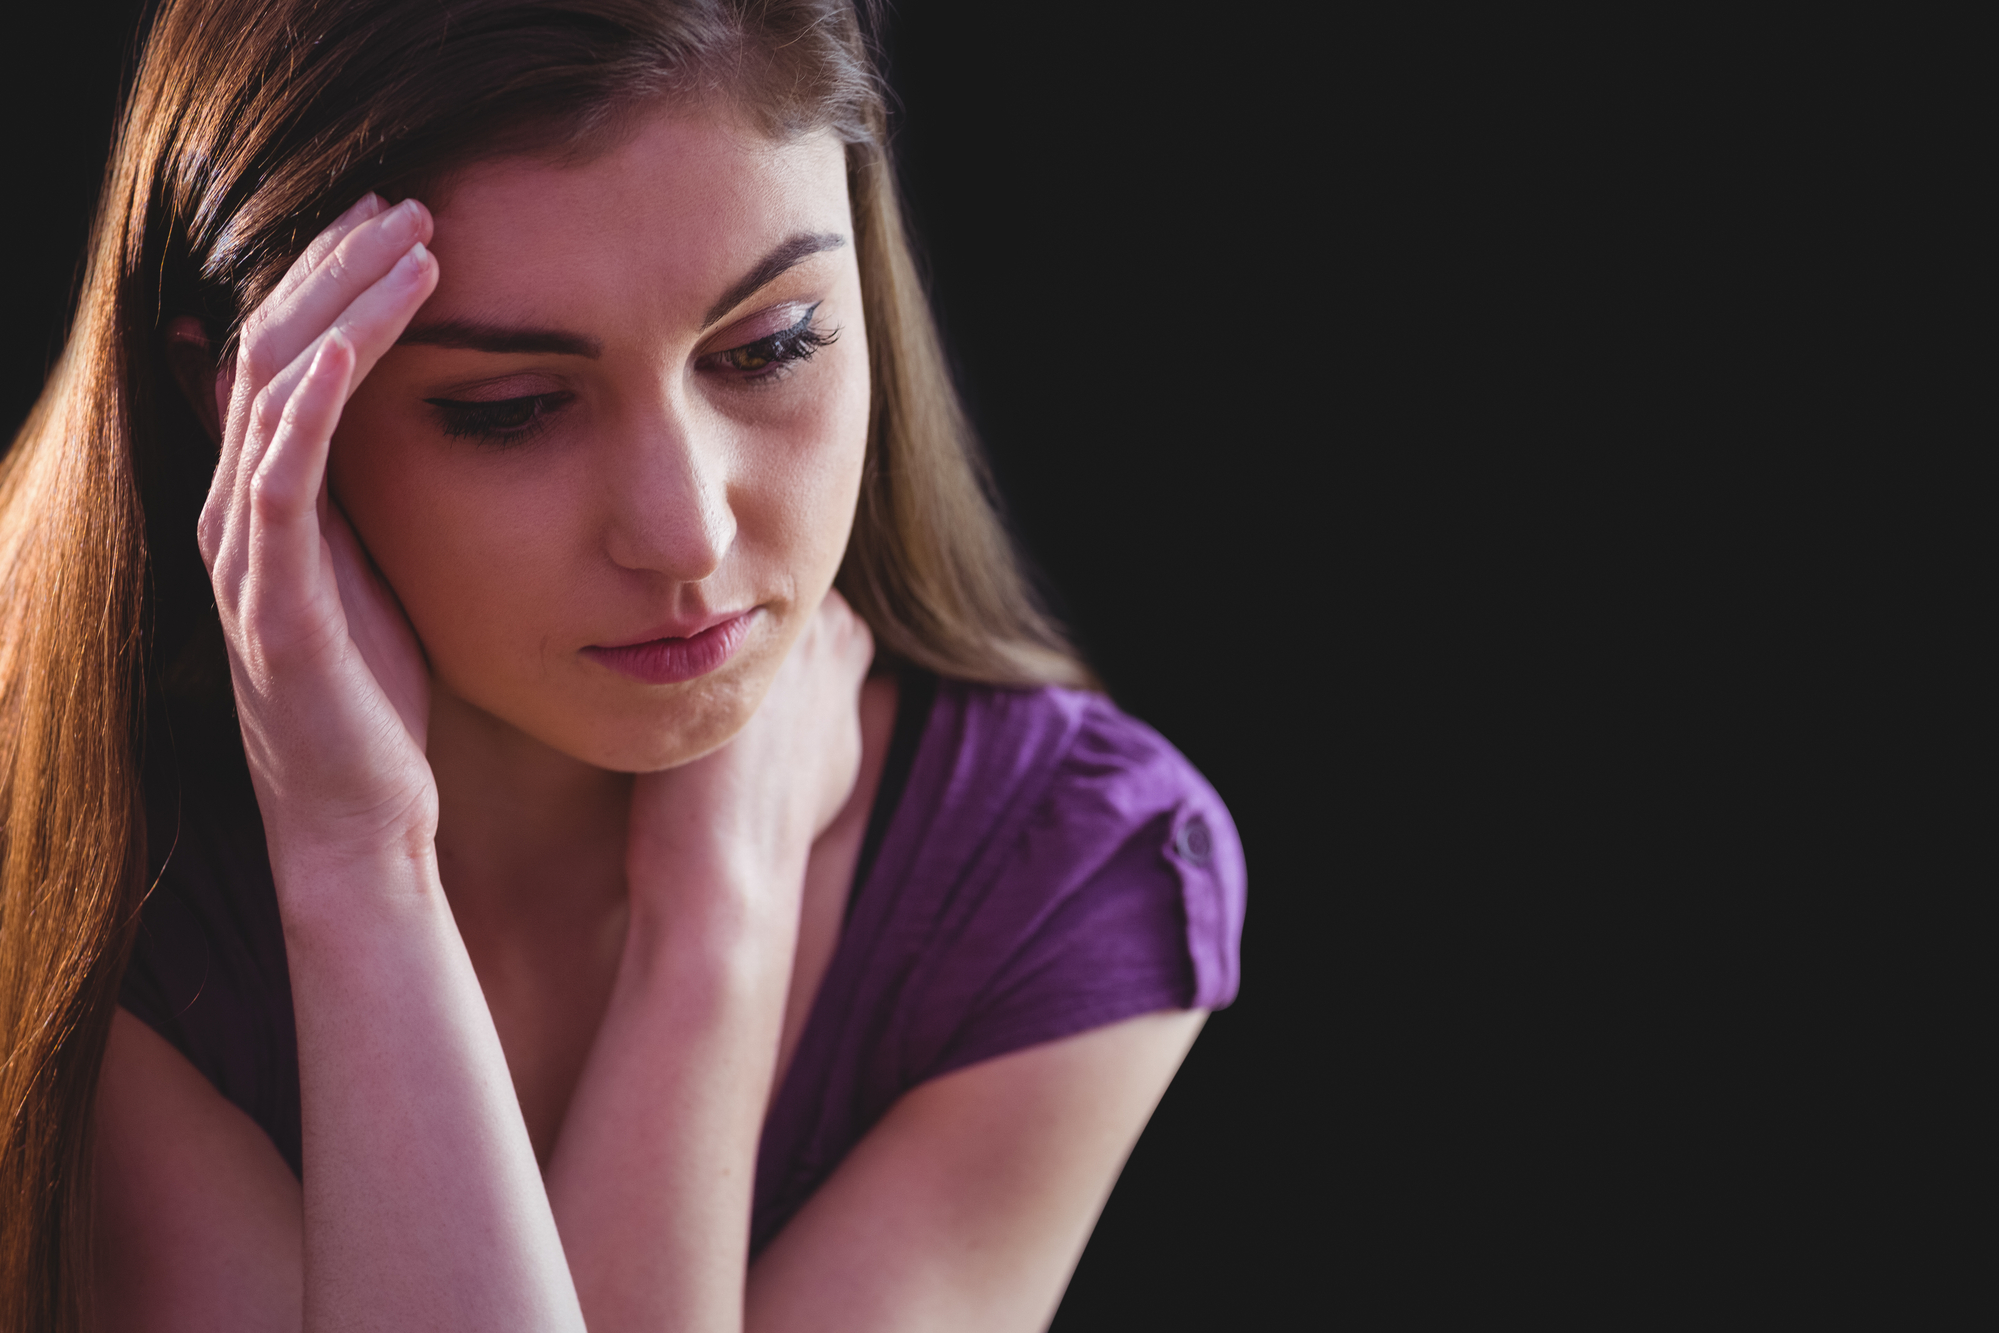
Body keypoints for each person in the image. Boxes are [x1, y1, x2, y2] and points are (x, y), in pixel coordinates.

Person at [0, 0, 1245, 1328]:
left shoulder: (1064, 876)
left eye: (772, 347)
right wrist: (363, 862)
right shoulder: (71, 861)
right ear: (237, 408)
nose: (685, 530)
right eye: (512, 409)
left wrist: (707, 927)